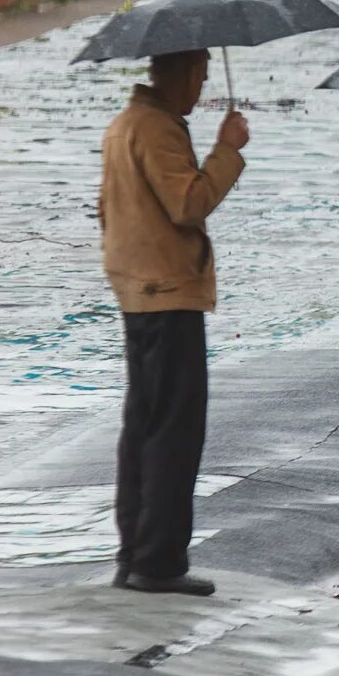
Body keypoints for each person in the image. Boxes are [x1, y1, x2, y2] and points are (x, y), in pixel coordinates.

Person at [98, 48, 249, 596]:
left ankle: (134, 551)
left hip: (138, 292)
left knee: (142, 425)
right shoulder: (157, 129)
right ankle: (157, 562)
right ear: (183, 73)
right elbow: (188, 203)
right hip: (167, 294)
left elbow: (108, 210)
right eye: (201, 77)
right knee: (173, 433)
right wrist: (226, 151)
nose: (202, 88)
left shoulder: (124, 125)